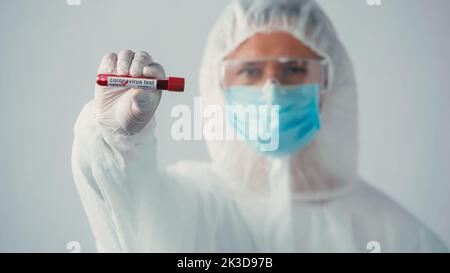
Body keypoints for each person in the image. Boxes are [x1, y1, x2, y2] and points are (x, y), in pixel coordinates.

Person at [71, 0, 447, 252]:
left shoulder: (396, 236)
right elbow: (128, 227)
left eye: (294, 69)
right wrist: (116, 141)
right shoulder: (190, 201)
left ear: (330, 85)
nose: (272, 90)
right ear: (219, 86)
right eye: (250, 71)